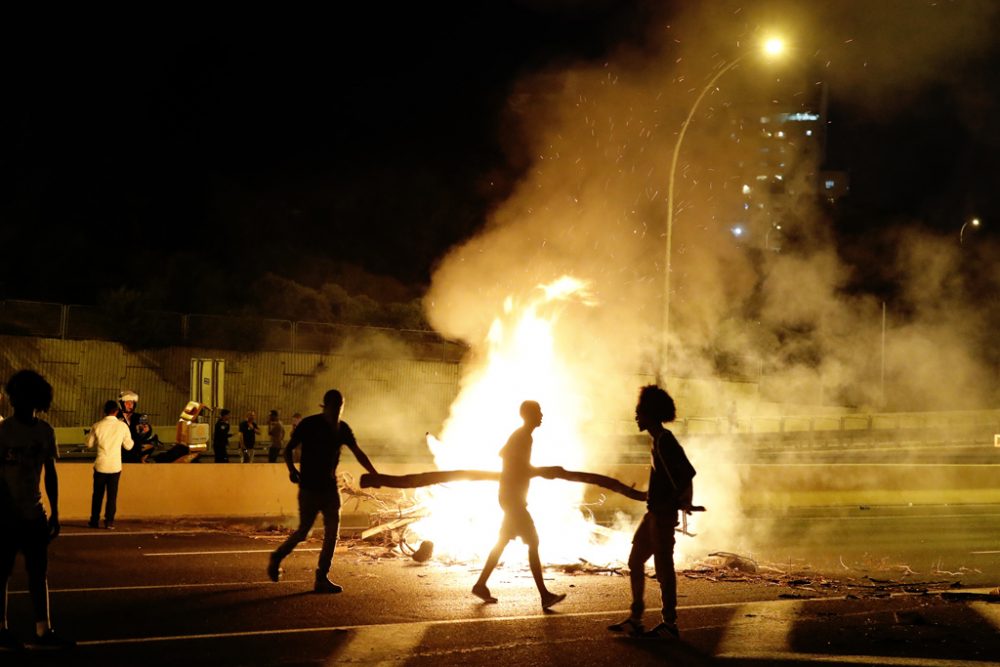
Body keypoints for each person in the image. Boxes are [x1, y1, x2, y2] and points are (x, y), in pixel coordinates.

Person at [608, 385, 696, 640]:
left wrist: (681, 502)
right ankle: (636, 618)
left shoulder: (665, 441)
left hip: (661, 516)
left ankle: (670, 623)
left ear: (651, 414)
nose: (636, 416)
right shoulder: (658, 441)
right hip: (654, 514)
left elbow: (686, 474)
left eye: (640, 412)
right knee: (636, 561)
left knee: (664, 568)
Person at [267, 390, 378, 593]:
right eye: (334, 407)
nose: (337, 411)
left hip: (329, 489)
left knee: (332, 533)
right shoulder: (309, 424)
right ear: (325, 406)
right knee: (304, 533)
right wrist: (292, 470)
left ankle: (322, 577)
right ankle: (278, 556)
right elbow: (288, 448)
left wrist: (374, 473)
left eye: (340, 407)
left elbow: (358, 452)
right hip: (309, 488)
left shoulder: (342, 428)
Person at [0, 370, 74, 650]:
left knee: (38, 574)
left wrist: (54, 511)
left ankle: (43, 630)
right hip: (6, 516)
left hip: (34, 513)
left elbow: (50, 474)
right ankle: (2, 628)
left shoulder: (45, 432)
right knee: (2, 572)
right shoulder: (3, 431)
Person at [471, 400, 566, 610]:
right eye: (539, 412)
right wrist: (546, 471)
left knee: (503, 541)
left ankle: (480, 584)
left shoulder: (522, 435)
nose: (542, 415)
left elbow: (504, 455)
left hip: (510, 497)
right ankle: (544, 595)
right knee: (533, 542)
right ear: (529, 415)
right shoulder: (523, 436)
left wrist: (538, 471)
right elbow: (520, 466)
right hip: (513, 499)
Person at [86, 400, 134, 530]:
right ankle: (109, 522)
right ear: (117, 411)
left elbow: (89, 444)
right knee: (112, 496)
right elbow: (129, 446)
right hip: (115, 465)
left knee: (97, 494)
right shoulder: (122, 426)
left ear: (104, 411)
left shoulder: (97, 426)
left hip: (100, 464)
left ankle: (94, 520)